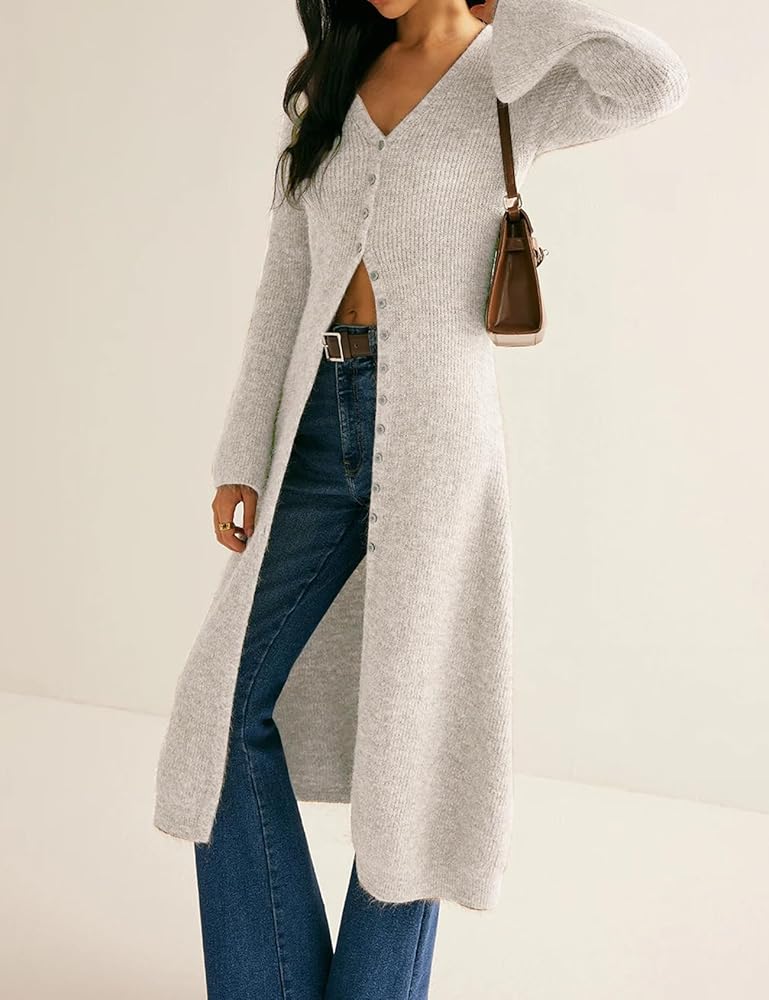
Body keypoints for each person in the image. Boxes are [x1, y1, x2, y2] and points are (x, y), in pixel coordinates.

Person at [153, 2, 689, 997]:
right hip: (313, 433)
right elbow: (284, 280)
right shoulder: (329, 84)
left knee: (414, 746)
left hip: (439, 448)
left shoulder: (509, 79)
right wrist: (242, 452)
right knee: (219, 704)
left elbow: (651, 80)